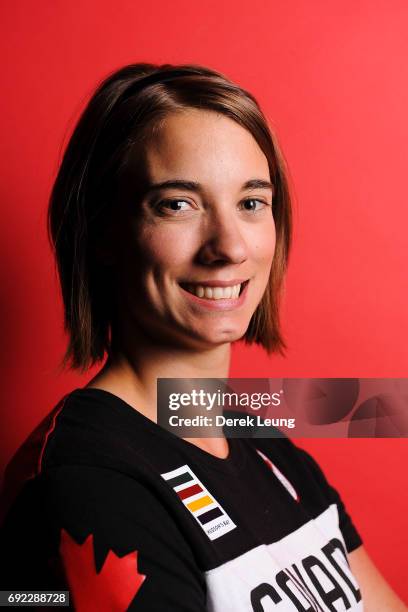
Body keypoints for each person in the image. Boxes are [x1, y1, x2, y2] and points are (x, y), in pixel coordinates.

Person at [0, 63, 406, 612]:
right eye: (178, 203)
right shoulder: (87, 480)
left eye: (250, 202)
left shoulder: (262, 441)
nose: (229, 247)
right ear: (102, 231)